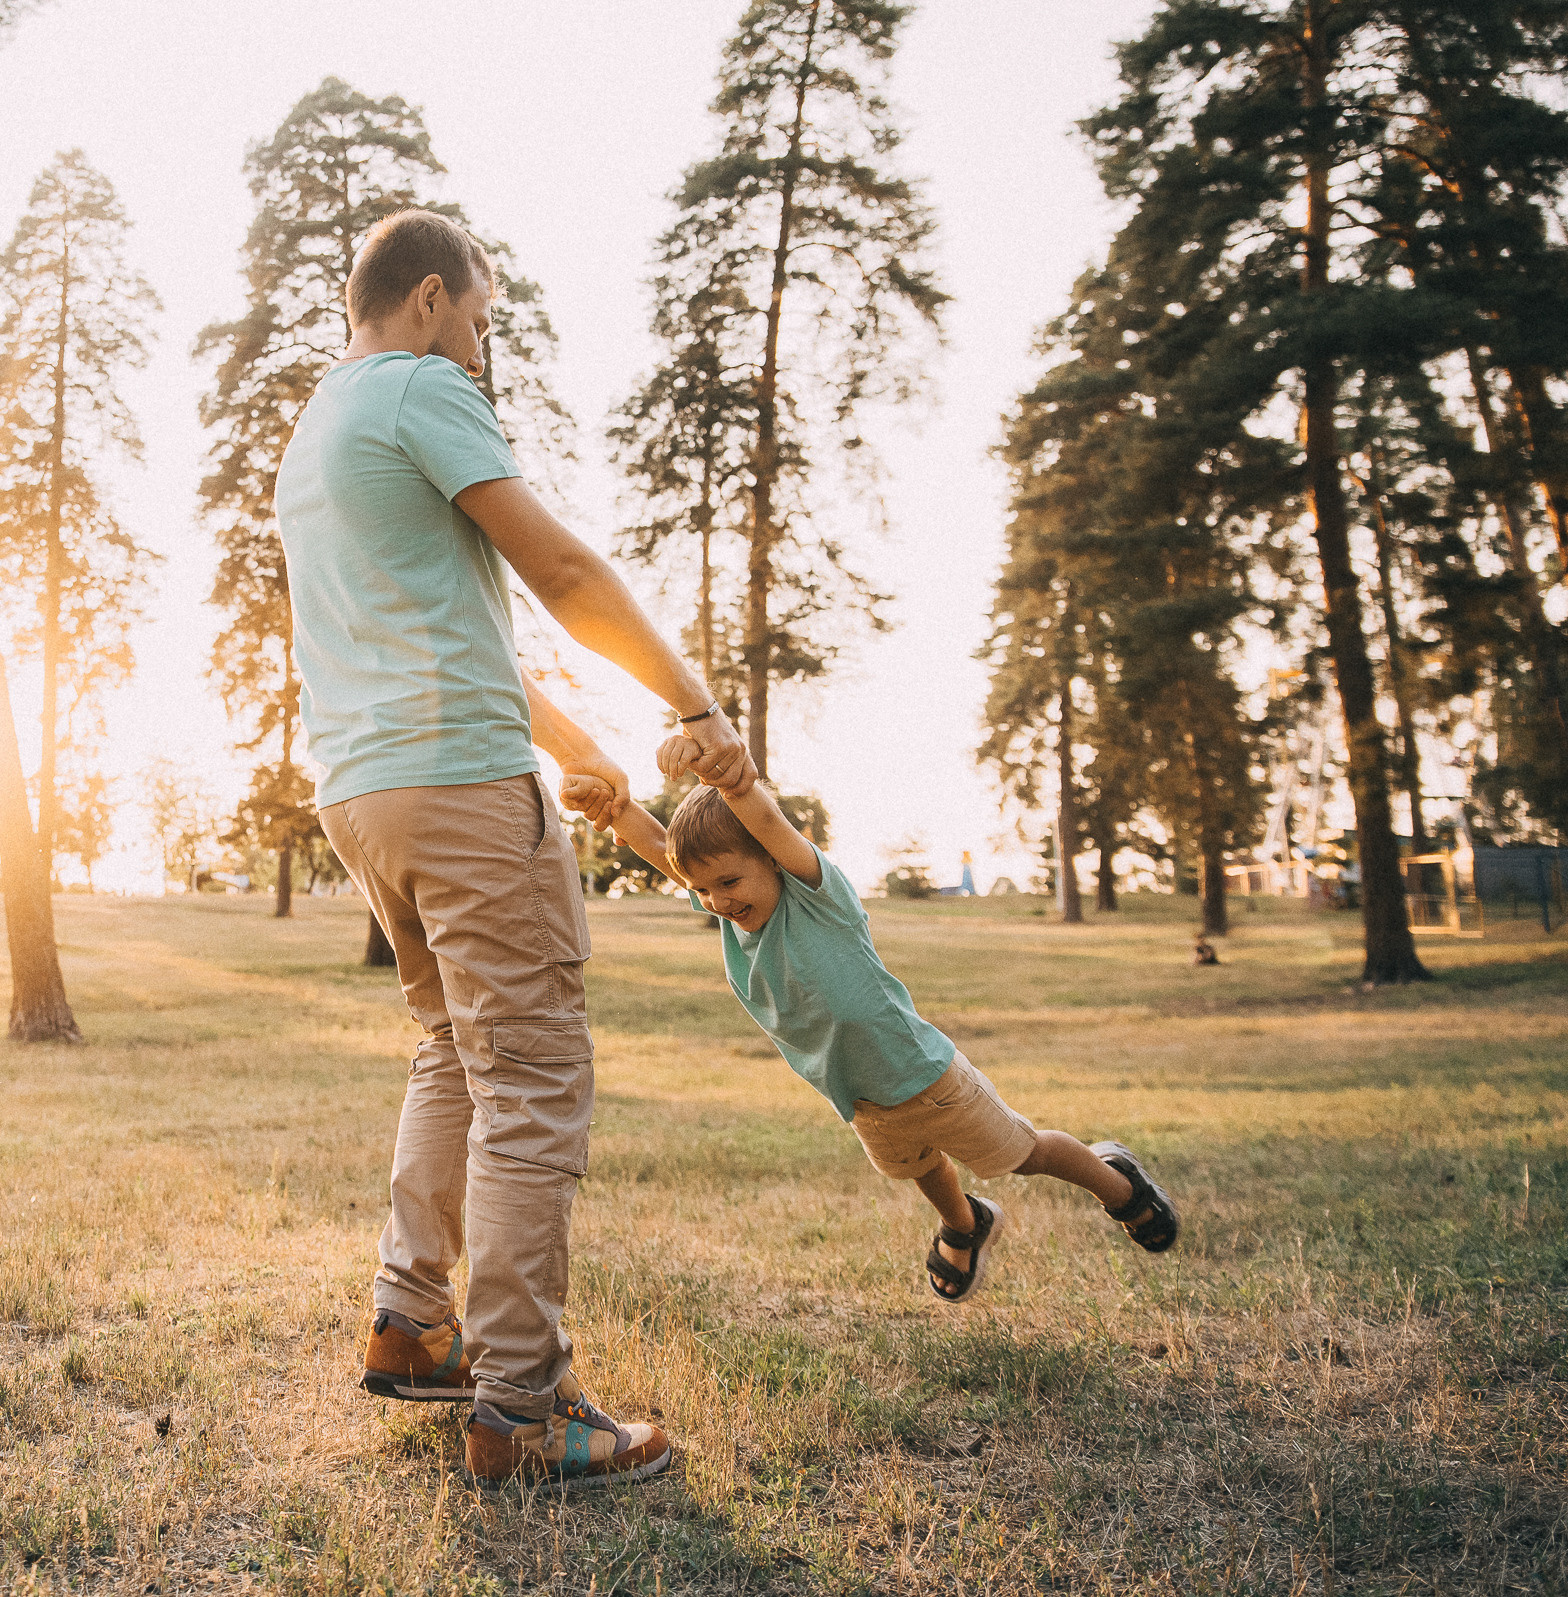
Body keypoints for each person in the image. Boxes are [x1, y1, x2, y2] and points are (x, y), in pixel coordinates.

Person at [275, 209, 744, 1492]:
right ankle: (522, 1404)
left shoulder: (316, 430)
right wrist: (694, 704)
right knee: (533, 1074)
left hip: (365, 794)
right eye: (479, 321)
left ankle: (413, 1319)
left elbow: (438, 617)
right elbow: (558, 569)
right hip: (463, 788)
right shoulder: (426, 386)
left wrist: (576, 739)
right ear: (430, 301)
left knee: (452, 1048)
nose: (482, 351)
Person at [563, 745, 1181, 1302]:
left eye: (729, 881)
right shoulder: (732, 915)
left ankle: (1118, 1185)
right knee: (918, 1167)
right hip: (858, 1095)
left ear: (774, 862)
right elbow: (665, 847)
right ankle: (967, 1224)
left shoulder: (816, 896)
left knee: (1023, 1153)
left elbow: (767, 824)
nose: (718, 899)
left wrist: (725, 772)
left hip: (928, 1076)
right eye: (702, 889)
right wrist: (615, 809)